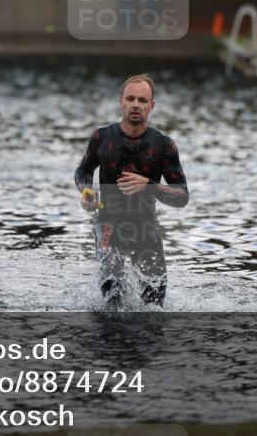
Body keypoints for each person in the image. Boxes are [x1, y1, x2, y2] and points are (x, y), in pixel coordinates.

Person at [74, 74, 189, 306]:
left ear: (152, 106)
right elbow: (82, 171)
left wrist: (149, 185)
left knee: (154, 304)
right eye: (131, 99)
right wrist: (86, 191)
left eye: (143, 100)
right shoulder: (102, 138)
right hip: (108, 225)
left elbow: (182, 195)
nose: (136, 104)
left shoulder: (164, 145)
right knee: (111, 299)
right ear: (121, 102)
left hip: (145, 227)